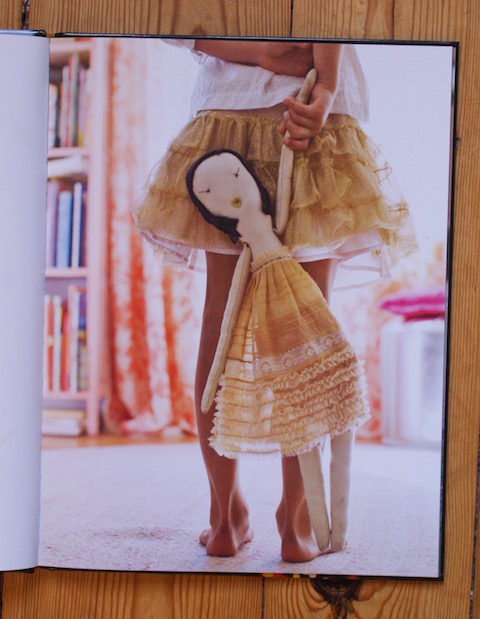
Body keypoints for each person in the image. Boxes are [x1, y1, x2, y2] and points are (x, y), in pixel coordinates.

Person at [132, 39, 417, 562]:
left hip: (228, 115)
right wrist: (324, 83)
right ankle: (297, 525)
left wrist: (256, 53)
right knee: (306, 325)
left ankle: (224, 519)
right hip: (310, 114)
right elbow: (332, 10)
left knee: (218, 320)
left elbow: (167, 17)